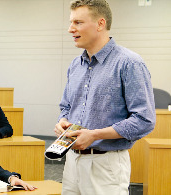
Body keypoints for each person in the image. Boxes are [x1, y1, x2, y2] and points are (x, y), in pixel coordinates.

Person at [55, 1, 155, 194]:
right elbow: (66, 106)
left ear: (100, 24)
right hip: (71, 162)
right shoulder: (75, 65)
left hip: (106, 165)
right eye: (71, 22)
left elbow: (144, 120)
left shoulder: (129, 63)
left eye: (78, 22)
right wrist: (63, 121)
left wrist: (94, 135)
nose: (70, 29)